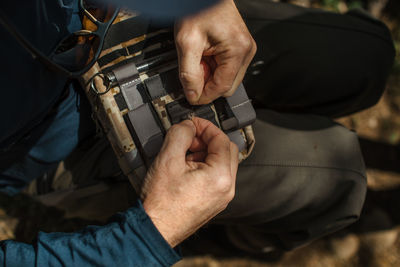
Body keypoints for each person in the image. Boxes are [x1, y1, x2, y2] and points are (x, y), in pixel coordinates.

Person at [0, 0, 395, 266]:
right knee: (336, 178)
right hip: (45, 148)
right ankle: (217, 232)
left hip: (111, 22)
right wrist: (154, 232)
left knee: (365, 54)